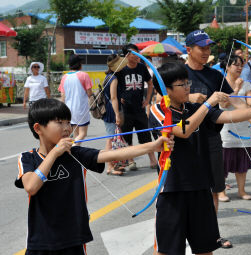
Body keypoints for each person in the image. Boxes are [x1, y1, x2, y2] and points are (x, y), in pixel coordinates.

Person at [15, 98, 174, 255]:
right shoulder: (28, 158)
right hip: (41, 240)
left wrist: (152, 146)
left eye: (68, 122)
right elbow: (31, 186)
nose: (67, 128)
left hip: (74, 237)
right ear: (38, 128)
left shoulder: (75, 153)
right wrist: (55, 153)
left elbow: (113, 154)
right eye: (59, 122)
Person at [150, 62, 251, 255]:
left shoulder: (196, 108)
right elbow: (183, 130)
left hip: (200, 186)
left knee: (206, 248)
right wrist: (208, 103)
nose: (187, 87)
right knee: (167, 249)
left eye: (187, 82)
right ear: (166, 89)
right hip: (173, 190)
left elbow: (229, 115)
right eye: (181, 84)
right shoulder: (158, 111)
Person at [184, 30, 251, 248]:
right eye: (202, 48)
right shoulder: (177, 72)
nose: (206, 52)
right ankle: (182, 233)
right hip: (184, 140)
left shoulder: (215, 76)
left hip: (210, 138)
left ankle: (211, 234)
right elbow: (160, 99)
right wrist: (188, 97)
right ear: (189, 49)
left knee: (213, 189)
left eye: (209, 48)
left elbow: (234, 102)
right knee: (183, 190)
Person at [218, 55, 251, 202]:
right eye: (236, 65)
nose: (240, 68)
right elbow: (224, 105)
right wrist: (236, 88)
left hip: (243, 128)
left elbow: (249, 102)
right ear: (227, 67)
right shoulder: (221, 83)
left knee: (242, 162)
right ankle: (221, 192)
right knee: (222, 163)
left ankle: (241, 191)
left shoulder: (246, 83)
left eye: (241, 65)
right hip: (225, 128)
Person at [115, 44, 157, 170]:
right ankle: (131, 161)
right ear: (127, 55)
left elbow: (150, 84)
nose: (138, 55)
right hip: (126, 109)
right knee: (127, 136)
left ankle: (153, 160)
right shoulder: (121, 69)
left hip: (139, 108)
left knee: (145, 134)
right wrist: (119, 96)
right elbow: (114, 86)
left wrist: (148, 99)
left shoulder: (142, 68)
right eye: (134, 53)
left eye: (138, 52)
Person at [102, 54, 128, 175]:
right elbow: (113, 98)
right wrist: (117, 114)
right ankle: (110, 166)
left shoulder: (107, 76)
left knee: (112, 138)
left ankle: (113, 164)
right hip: (111, 110)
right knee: (110, 138)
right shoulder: (114, 78)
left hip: (109, 108)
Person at [59, 55, 93, 145]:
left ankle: (75, 153)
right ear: (79, 64)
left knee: (76, 134)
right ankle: (72, 148)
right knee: (82, 134)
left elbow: (63, 95)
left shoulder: (64, 77)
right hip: (81, 108)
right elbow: (89, 93)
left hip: (69, 109)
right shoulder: (84, 75)